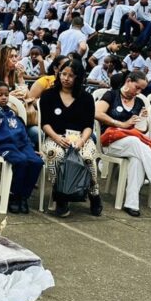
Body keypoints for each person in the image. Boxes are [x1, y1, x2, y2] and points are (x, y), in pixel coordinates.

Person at [95, 71, 151, 217]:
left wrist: (143, 120)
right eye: (137, 87)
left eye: (142, 89)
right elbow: (97, 113)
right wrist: (121, 124)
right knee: (135, 142)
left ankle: (132, 203)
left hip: (131, 143)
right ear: (128, 81)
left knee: (137, 159)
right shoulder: (111, 95)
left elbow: (141, 130)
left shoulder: (139, 102)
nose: (138, 92)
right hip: (110, 142)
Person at [40, 59, 100, 217]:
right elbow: (45, 123)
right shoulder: (48, 95)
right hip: (55, 136)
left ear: (78, 77)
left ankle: (94, 192)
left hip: (80, 137)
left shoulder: (86, 98)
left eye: (71, 75)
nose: (66, 78)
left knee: (87, 158)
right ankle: (61, 195)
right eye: (63, 74)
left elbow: (89, 125)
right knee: (55, 155)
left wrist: (81, 141)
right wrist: (56, 138)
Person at [0, 81, 45, 214]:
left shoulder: (11, 112)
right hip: (4, 145)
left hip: (22, 145)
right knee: (21, 162)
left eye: (6, 95)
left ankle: (24, 197)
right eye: (0, 95)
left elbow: (23, 132)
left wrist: (31, 148)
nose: (4, 97)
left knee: (37, 162)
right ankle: (14, 195)